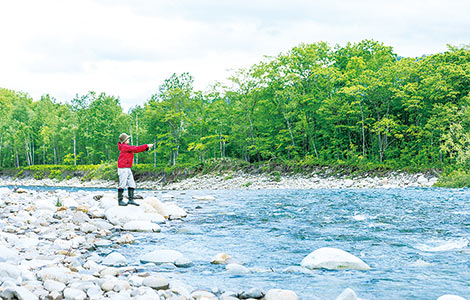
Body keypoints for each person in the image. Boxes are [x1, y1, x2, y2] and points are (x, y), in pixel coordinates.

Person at [117, 133, 153, 206]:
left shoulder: (126, 147)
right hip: (123, 168)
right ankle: (120, 201)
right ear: (124, 140)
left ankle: (131, 200)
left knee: (131, 183)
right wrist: (146, 146)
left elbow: (135, 150)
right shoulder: (124, 146)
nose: (129, 139)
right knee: (122, 184)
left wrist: (145, 149)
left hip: (127, 168)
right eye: (127, 139)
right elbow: (135, 149)